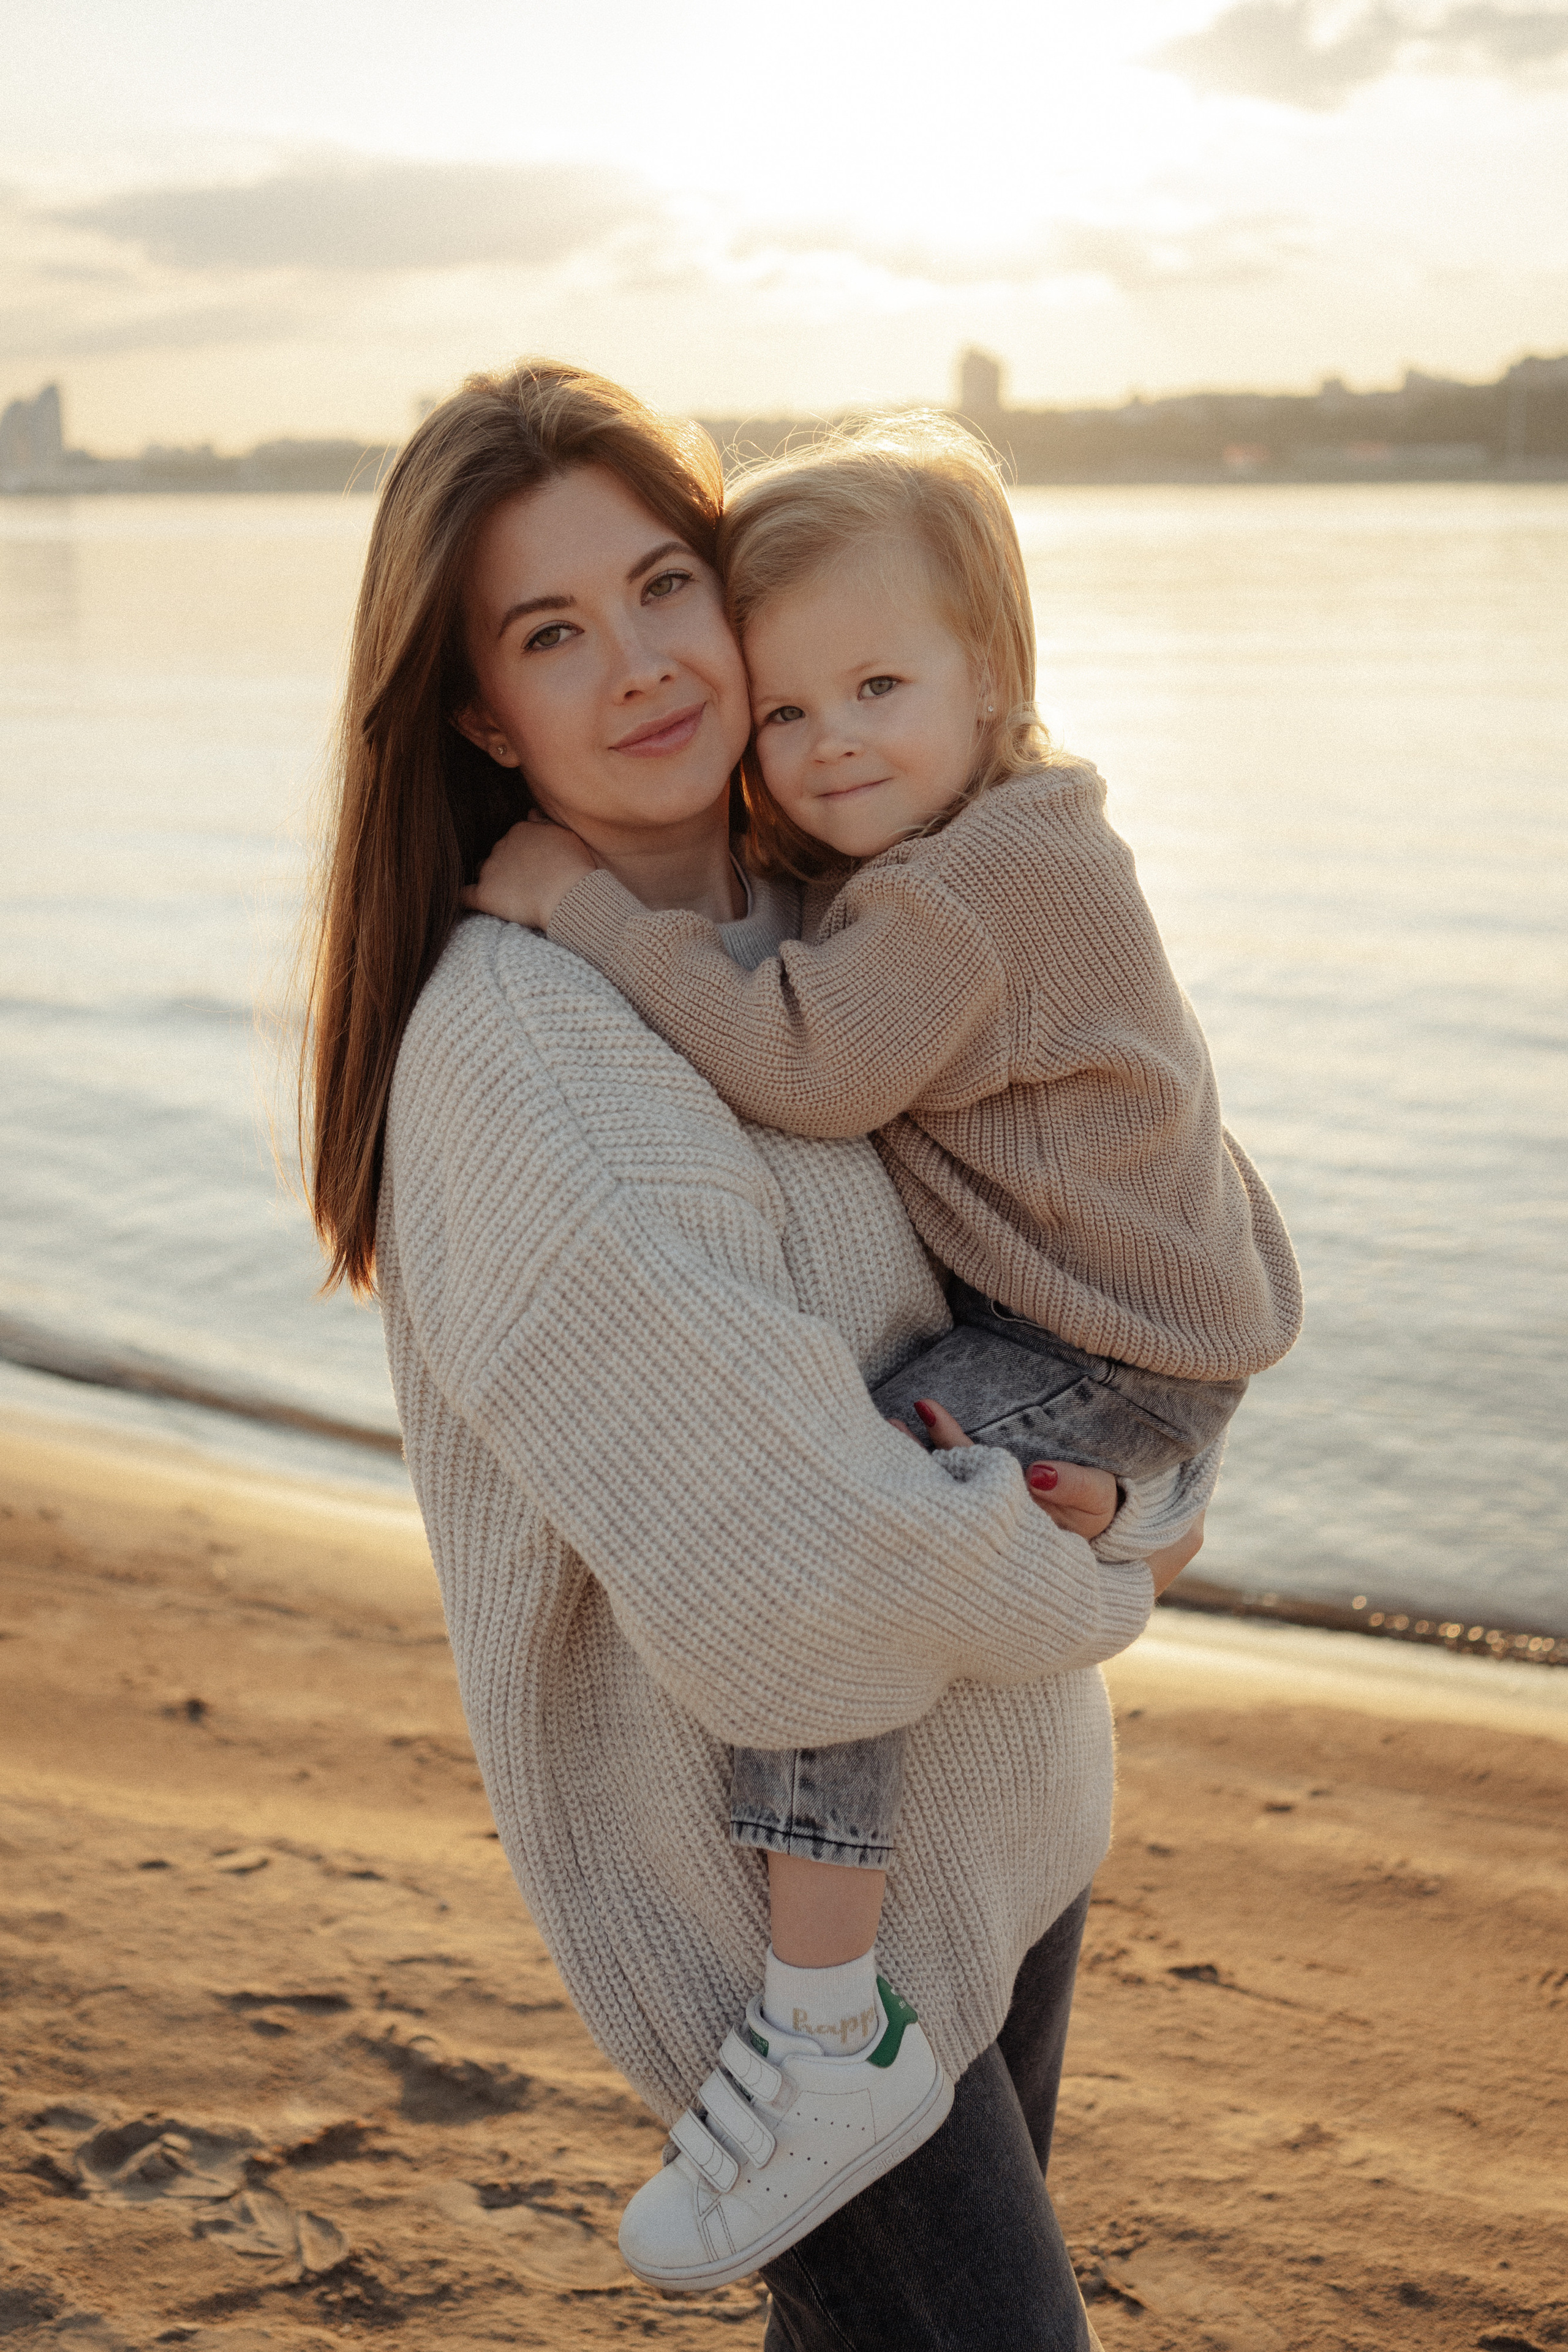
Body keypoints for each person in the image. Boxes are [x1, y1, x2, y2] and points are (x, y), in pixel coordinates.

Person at [304, 358, 1205, 2350]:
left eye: (660, 586)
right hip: (790, 1956)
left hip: (1007, 1824)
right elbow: (795, 1567)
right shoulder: (530, 1059)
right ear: (479, 712)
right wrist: (1107, 1560)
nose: (639, 662)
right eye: (553, 633)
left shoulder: (839, 917)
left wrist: (1150, 1465)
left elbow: (1097, 1221)